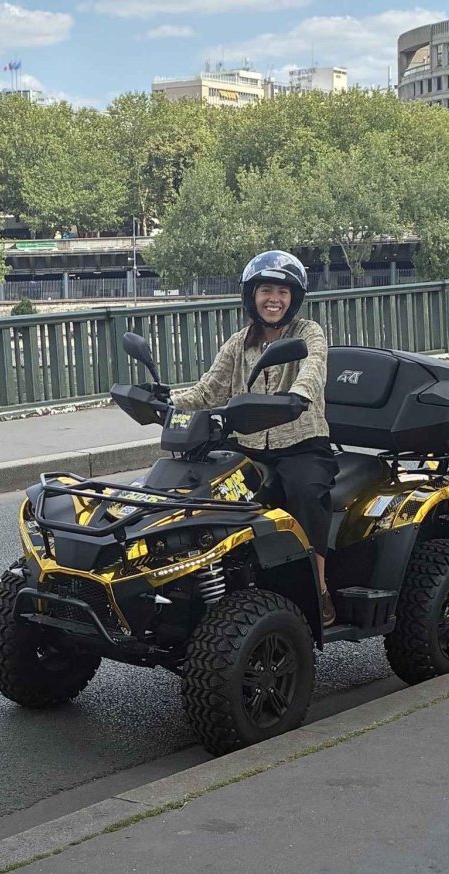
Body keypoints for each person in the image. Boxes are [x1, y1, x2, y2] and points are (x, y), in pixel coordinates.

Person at [167, 250, 339, 625]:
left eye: (282, 291)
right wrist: (165, 402)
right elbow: (206, 392)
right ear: (252, 295)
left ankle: (320, 588)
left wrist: (299, 396)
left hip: (301, 444)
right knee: (200, 488)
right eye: (265, 290)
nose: (273, 299)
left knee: (307, 493)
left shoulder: (308, 332)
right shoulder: (239, 343)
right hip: (246, 447)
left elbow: (314, 366)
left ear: (294, 297)